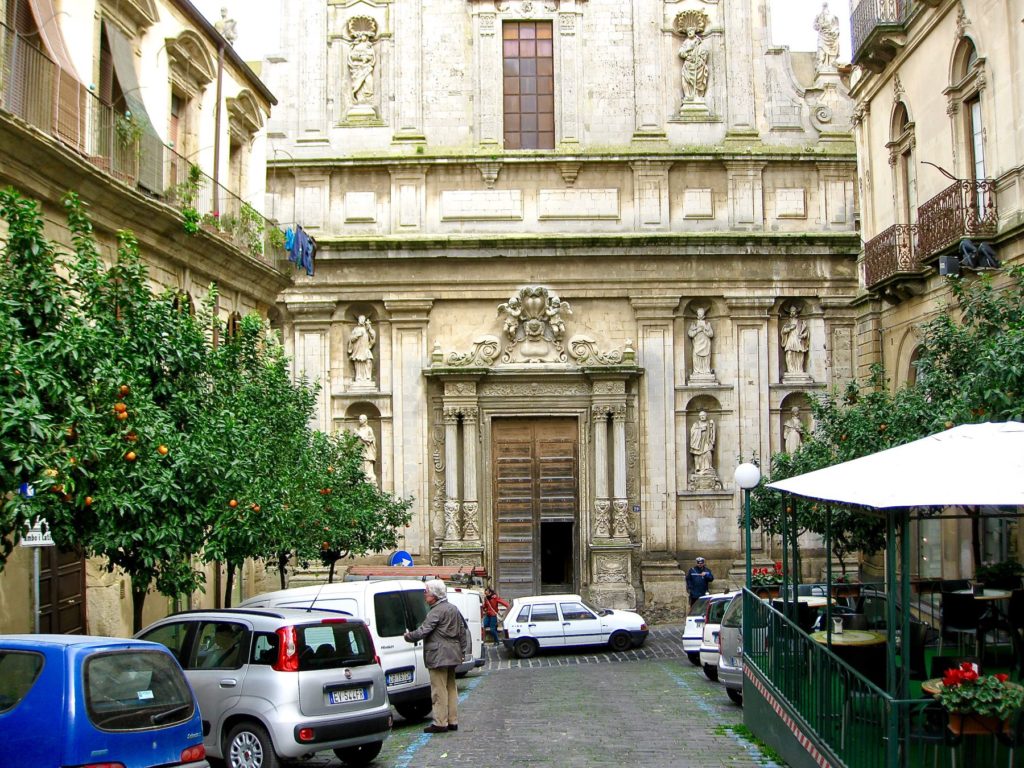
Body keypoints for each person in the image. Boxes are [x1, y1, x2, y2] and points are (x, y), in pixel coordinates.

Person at [404, 580, 471, 733]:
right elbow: (462, 631)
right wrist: (462, 651)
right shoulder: (453, 608)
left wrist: (408, 636)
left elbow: (423, 631)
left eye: (426, 591)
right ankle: (453, 720)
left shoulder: (436, 611)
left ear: (434, 596)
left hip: (438, 655)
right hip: (453, 653)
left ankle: (440, 722)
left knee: (438, 690)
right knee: (451, 688)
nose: (424, 594)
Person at [678, 26, 709, 103]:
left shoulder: (699, 42)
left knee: (698, 80)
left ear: (694, 31)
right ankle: (688, 96)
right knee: (685, 79)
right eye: (688, 31)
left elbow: (704, 52)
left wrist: (701, 59)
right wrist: (688, 51)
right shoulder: (686, 42)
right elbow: (681, 52)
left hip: (697, 65)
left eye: (691, 30)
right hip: (688, 65)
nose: (689, 32)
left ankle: (697, 95)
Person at [348, 32, 376, 105]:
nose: (364, 37)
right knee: (358, 82)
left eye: (365, 35)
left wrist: (367, 58)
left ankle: (367, 97)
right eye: (363, 35)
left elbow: (372, 56)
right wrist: (361, 57)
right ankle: (359, 97)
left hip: (367, 67)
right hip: (358, 68)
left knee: (369, 81)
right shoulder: (356, 46)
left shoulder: (369, 46)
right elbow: (352, 56)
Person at [781, 306, 810, 375]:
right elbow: (783, 331)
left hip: (798, 339)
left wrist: (803, 335)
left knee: (800, 354)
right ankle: (790, 369)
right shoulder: (788, 322)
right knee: (789, 353)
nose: (792, 313)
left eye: (794, 311)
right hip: (791, 339)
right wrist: (790, 328)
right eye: (791, 311)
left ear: (796, 312)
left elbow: (806, 332)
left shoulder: (801, 322)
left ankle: (799, 369)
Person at [348, 314, 377, 382]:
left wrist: (369, 328)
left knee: (368, 361)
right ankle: (358, 377)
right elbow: (351, 339)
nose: (362, 320)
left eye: (363, 319)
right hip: (358, 349)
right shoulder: (355, 329)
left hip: (366, 348)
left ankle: (368, 377)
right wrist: (357, 335)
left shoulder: (367, 329)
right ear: (358, 320)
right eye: (360, 319)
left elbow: (373, 337)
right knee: (358, 362)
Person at [813, 2, 840, 72]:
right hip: (822, 35)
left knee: (832, 50)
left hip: (831, 36)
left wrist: (834, 31)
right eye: (824, 7)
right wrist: (819, 26)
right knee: (821, 49)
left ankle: (831, 64)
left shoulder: (833, 16)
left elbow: (836, 27)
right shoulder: (818, 16)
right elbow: (814, 26)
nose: (825, 8)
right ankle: (820, 64)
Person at [687, 307, 714, 375]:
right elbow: (690, 334)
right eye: (699, 313)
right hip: (697, 344)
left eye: (701, 313)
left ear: (704, 314)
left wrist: (704, 331)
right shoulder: (694, 324)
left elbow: (711, 334)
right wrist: (697, 331)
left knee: (706, 358)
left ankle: (706, 371)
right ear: (697, 314)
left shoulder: (707, 324)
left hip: (706, 344)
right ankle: (697, 371)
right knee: (696, 358)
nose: (700, 315)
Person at [354, 414, 377, 485]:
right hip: (360, 451)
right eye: (359, 419)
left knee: (367, 467)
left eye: (361, 419)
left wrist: (362, 436)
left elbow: (372, 439)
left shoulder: (369, 429)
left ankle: (368, 480)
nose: (359, 420)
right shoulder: (358, 429)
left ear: (365, 420)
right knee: (360, 466)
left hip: (367, 452)